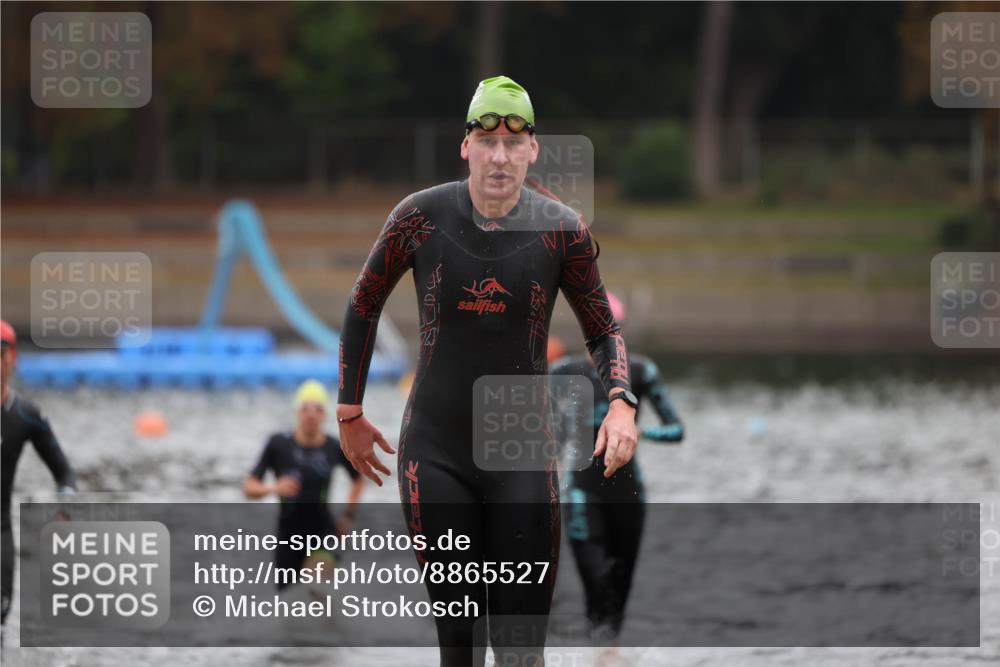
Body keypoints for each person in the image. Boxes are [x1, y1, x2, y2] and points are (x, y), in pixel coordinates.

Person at [336, 75, 639, 667]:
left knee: (522, 652)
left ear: (533, 150)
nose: (499, 156)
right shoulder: (419, 218)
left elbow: (603, 329)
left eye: (513, 141)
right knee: (461, 647)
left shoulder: (562, 230)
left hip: (521, 457)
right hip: (436, 454)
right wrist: (349, 411)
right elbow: (362, 304)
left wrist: (623, 401)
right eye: (487, 139)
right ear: (465, 145)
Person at [549, 293, 685, 641]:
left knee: (619, 594)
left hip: (629, 495)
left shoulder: (640, 372)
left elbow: (677, 429)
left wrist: (641, 431)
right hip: (580, 492)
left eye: (612, 331)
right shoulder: (563, 372)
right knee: (597, 582)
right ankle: (600, 647)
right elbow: (547, 437)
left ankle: (609, 653)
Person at [244, 379, 365, 591]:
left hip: (323, 533)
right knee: (289, 603)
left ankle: (326, 613)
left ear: (325, 414)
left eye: (317, 409)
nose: (311, 414)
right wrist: (273, 488)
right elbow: (249, 487)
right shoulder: (278, 444)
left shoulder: (334, 447)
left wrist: (348, 514)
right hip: (287, 536)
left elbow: (358, 480)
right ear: (297, 412)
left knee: (316, 585)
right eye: (305, 408)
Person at [1, 320, 77, 627]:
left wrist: (65, 506)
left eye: (0, 353)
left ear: (12, 358)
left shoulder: (25, 416)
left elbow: (64, 471)